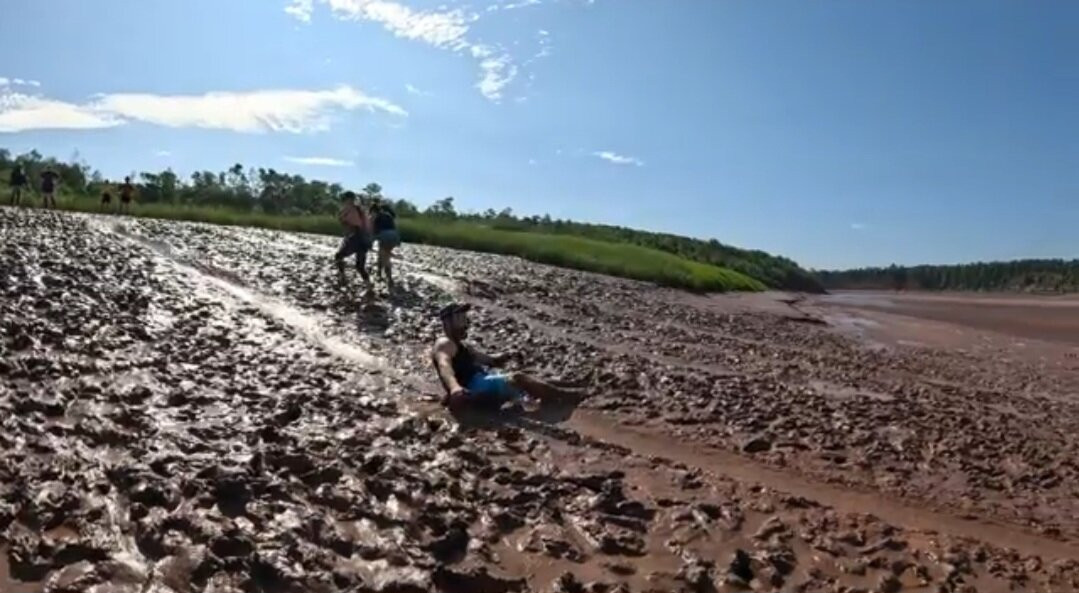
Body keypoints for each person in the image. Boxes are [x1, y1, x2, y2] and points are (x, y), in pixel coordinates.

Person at [431, 302, 585, 410]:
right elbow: (445, 366)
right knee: (518, 378)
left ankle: (573, 384)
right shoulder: (444, 343)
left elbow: (491, 360)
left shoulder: (463, 347)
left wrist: (508, 355)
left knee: (531, 377)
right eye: (460, 319)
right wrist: (455, 388)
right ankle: (570, 397)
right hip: (471, 390)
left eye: (465, 318)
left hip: (482, 380)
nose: (465, 323)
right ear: (448, 323)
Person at [333, 191, 374, 292]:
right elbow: (368, 226)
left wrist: (344, 223)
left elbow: (353, 224)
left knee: (338, 256)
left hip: (355, 237)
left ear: (348, 199)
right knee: (360, 266)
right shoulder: (361, 210)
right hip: (365, 239)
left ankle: (342, 277)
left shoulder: (350, 209)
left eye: (344, 199)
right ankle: (369, 286)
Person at [371, 200, 401, 290]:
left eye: (371, 213)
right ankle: (379, 273)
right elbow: (393, 227)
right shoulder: (388, 215)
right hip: (395, 236)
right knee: (383, 255)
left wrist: (370, 243)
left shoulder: (377, 218)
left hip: (385, 236)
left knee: (384, 257)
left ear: (374, 211)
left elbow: (374, 233)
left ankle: (389, 279)